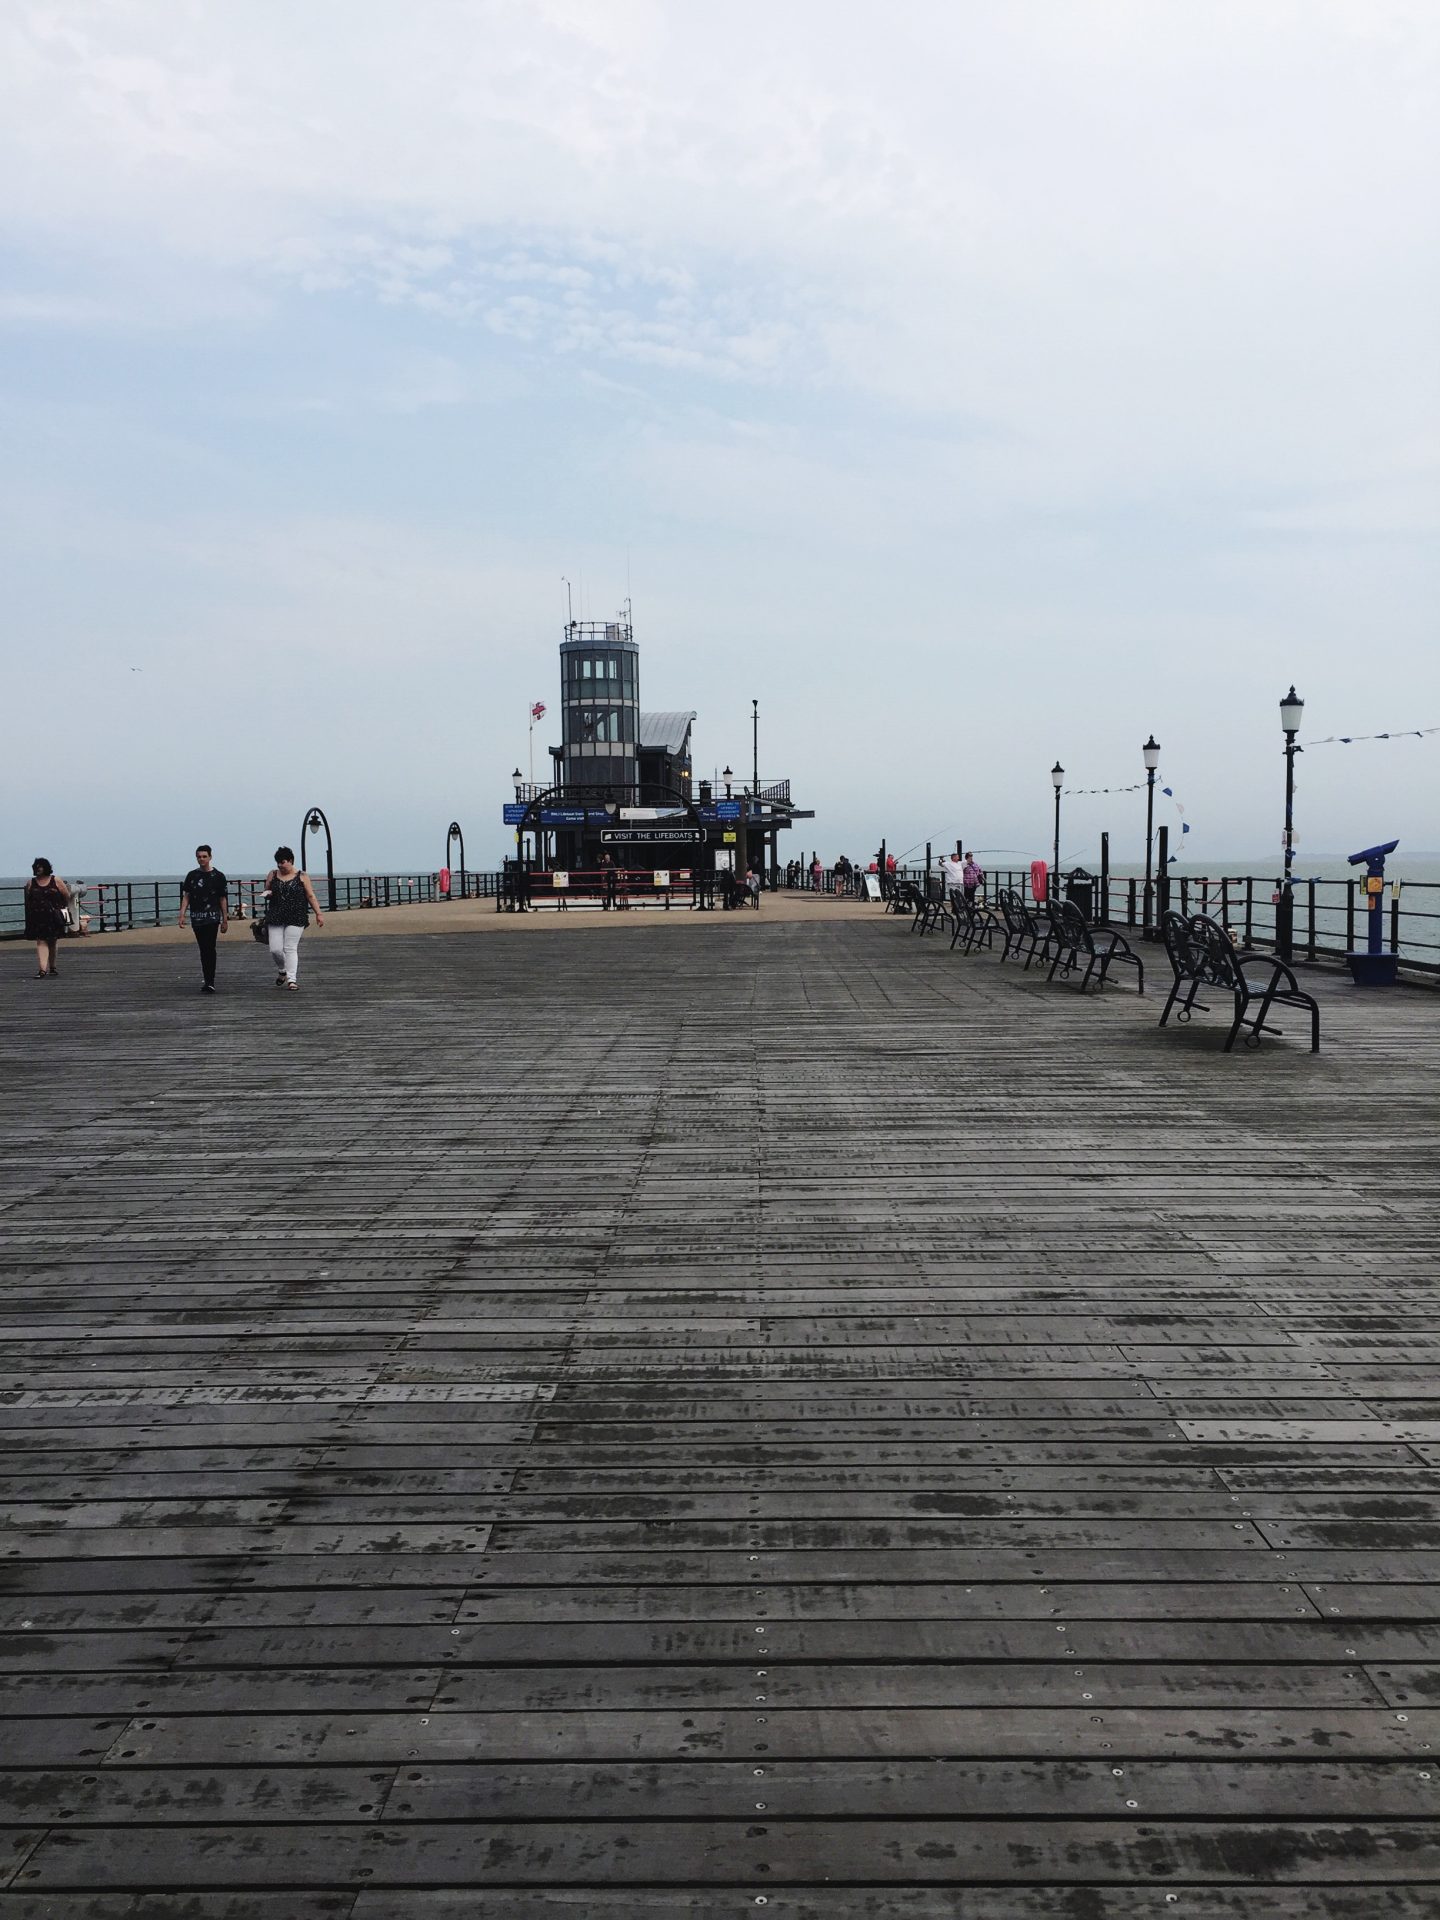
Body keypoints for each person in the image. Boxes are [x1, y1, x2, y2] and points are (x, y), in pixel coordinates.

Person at [264, 846, 324, 990]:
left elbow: (310, 895)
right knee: (275, 949)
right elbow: (267, 890)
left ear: (290, 861)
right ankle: (282, 970)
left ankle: (292, 979)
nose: (280, 865)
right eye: (278, 862)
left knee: (290, 948)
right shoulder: (272, 874)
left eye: (283, 862)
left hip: (296, 915)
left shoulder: (302, 876)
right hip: (276, 915)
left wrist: (318, 913)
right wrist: (268, 893)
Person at [178, 844, 229, 993]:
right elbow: (186, 896)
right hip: (197, 918)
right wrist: (182, 914)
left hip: (212, 918)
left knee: (209, 947)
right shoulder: (192, 876)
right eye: (199, 857)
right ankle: (207, 979)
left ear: (210, 857)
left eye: (204, 856)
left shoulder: (218, 876)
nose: (201, 859)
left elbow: (222, 898)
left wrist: (225, 919)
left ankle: (210, 981)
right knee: (203, 948)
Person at [24, 858, 70, 979]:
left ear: (46, 867)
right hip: (38, 917)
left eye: (41, 866)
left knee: (53, 940)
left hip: (54, 916)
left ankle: (53, 967)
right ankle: (42, 969)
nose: (38, 868)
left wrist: (61, 908)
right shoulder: (31, 883)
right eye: (36, 866)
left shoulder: (56, 880)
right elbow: (28, 900)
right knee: (41, 941)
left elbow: (66, 895)